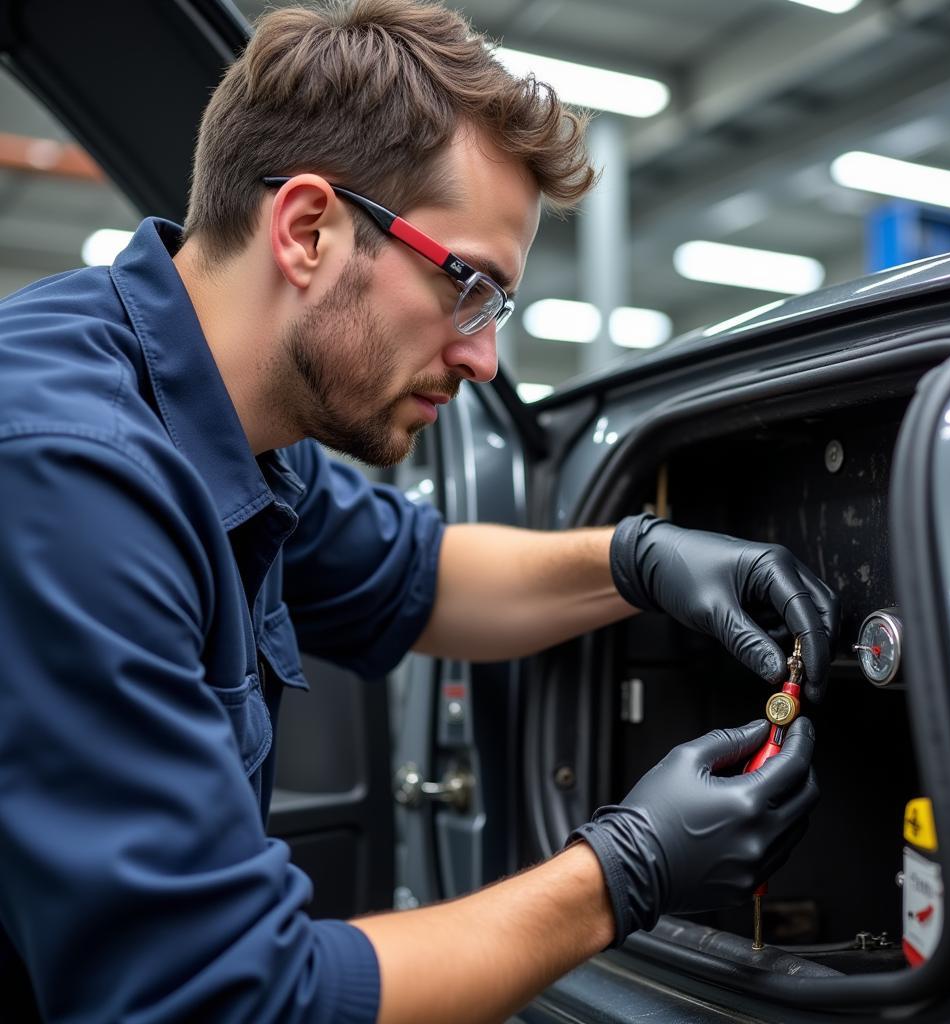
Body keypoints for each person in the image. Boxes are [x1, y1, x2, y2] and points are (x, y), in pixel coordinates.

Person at [0, 1, 839, 1021]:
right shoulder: (72, 476)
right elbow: (220, 998)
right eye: (468, 288)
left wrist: (638, 558)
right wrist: (621, 871)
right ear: (308, 228)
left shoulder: (232, 423)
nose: (484, 358)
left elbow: (420, 574)